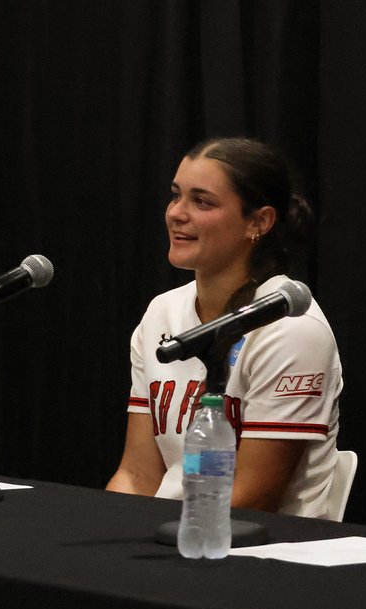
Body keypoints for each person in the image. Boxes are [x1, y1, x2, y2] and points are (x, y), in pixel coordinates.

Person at [107, 137, 343, 517]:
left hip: (258, 549)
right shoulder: (161, 313)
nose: (176, 214)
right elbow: (136, 475)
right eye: (175, 196)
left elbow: (253, 498)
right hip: (167, 534)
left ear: (259, 222)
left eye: (202, 201)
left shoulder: (291, 326)